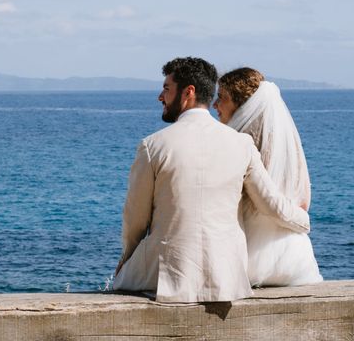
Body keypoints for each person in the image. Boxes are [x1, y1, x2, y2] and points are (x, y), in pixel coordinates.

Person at [113, 57, 311, 302]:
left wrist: (126, 259)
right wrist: (304, 221)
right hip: (226, 277)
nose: (160, 97)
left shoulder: (152, 146)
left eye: (166, 88)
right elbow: (270, 204)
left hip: (167, 275)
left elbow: (136, 219)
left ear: (188, 92)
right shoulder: (242, 144)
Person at [214, 67, 323, 287]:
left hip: (255, 258)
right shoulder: (285, 145)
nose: (215, 105)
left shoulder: (241, 145)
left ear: (242, 106)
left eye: (222, 98)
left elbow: (268, 203)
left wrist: (304, 222)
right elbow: (302, 198)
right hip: (293, 256)